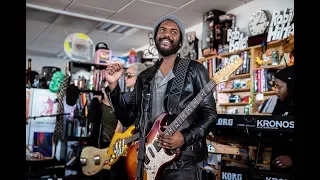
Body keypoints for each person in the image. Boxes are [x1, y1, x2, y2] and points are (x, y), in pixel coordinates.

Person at [105, 15, 217, 180]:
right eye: (162, 30)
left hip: (183, 163)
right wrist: (113, 87)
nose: (167, 34)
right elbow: (129, 118)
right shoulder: (145, 76)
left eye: (174, 32)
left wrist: (184, 137)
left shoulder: (194, 70)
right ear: (155, 38)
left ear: (179, 42)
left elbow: (210, 114)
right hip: (146, 161)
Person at [87, 79, 128, 180]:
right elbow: (91, 118)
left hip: (116, 148)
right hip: (99, 148)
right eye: (108, 86)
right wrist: (95, 101)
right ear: (102, 89)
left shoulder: (121, 106)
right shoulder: (98, 105)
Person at [270, 65, 294, 174]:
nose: (276, 91)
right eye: (275, 87)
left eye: (279, 87)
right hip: (277, 168)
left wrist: (293, 159)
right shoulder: (280, 103)